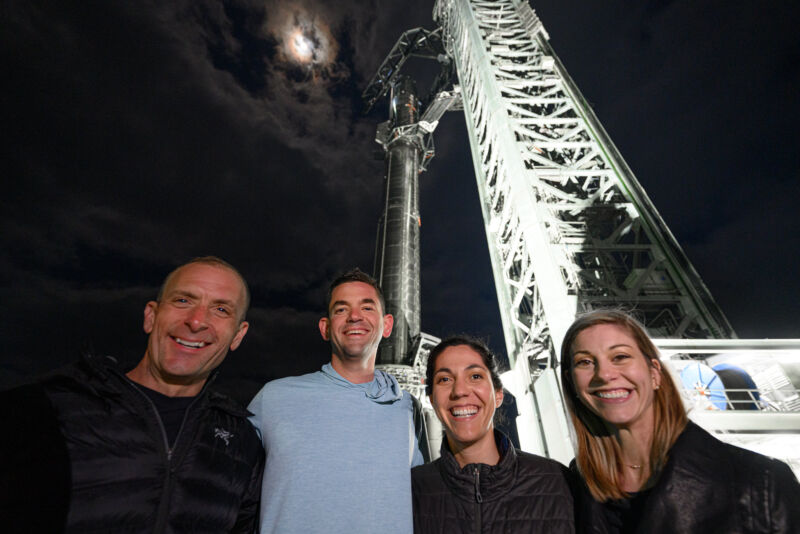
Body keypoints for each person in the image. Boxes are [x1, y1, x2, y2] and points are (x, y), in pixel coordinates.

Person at [0, 256, 265, 533]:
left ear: (238, 335)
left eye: (221, 309)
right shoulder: (44, 409)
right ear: (151, 316)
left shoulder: (242, 443)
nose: (197, 321)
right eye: (183, 301)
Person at [560, 309, 800, 534]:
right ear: (572, 384)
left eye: (620, 356)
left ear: (654, 373)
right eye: (585, 362)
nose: (604, 374)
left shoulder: (762, 484)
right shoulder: (570, 485)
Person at [248, 268, 423, 534]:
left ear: (387, 325)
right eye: (341, 309)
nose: (354, 316)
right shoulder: (274, 399)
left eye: (367, 307)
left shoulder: (406, 409)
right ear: (325, 328)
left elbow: (427, 500)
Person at [412, 335, 575, 533]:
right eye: (445, 379)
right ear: (431, 400)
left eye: (475, 376)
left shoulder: (558, 484)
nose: (460, 391)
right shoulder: (410, 492)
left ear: (498, 394)